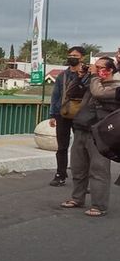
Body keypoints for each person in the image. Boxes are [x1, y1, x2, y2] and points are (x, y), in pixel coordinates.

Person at [60, 57, 120, 217]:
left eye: (99, 67)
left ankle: (99, 206)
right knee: (78, 167)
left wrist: (93, 77)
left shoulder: (115, 88)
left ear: (109, 71)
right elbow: (71, 93)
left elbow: (98, 93)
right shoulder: (92, 83)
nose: (94, 69)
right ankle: (77, 198)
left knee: (98, 170)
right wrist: (80, 77)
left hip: (100, 135)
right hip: (81, 129)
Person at [47, 46, 87, 187]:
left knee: (81, 147)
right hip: (62, 114)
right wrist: (52, 114)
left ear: (82, 57)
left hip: (81, 115)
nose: (72, 57)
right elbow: (55, 95)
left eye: (75, 55)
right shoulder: (62, 75)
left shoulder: (87, 75)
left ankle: (83, 179)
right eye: (70, 55)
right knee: (62, 146)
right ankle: (60, 174)